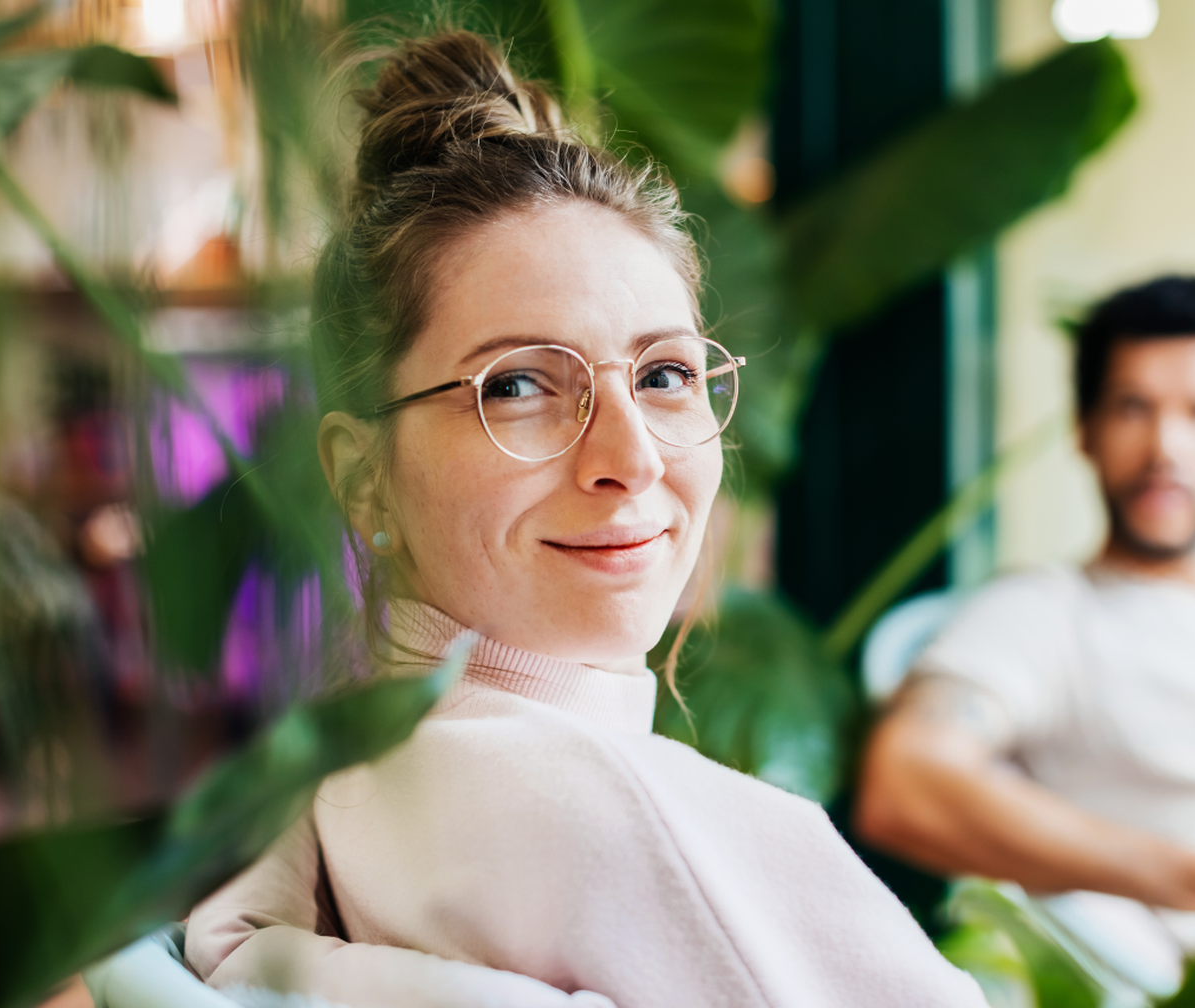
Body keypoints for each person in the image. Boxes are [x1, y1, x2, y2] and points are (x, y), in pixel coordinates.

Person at [184, 29, 986, 1008]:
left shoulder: (341, 795)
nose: (632, 458)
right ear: (362, 478)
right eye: (519, 384)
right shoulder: (644, 832)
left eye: (664, 375)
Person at [858, 274, 1195, 997]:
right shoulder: (1041, 615)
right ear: (1083, 429)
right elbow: (904, 782)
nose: (1165, 446)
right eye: (1131, 408)